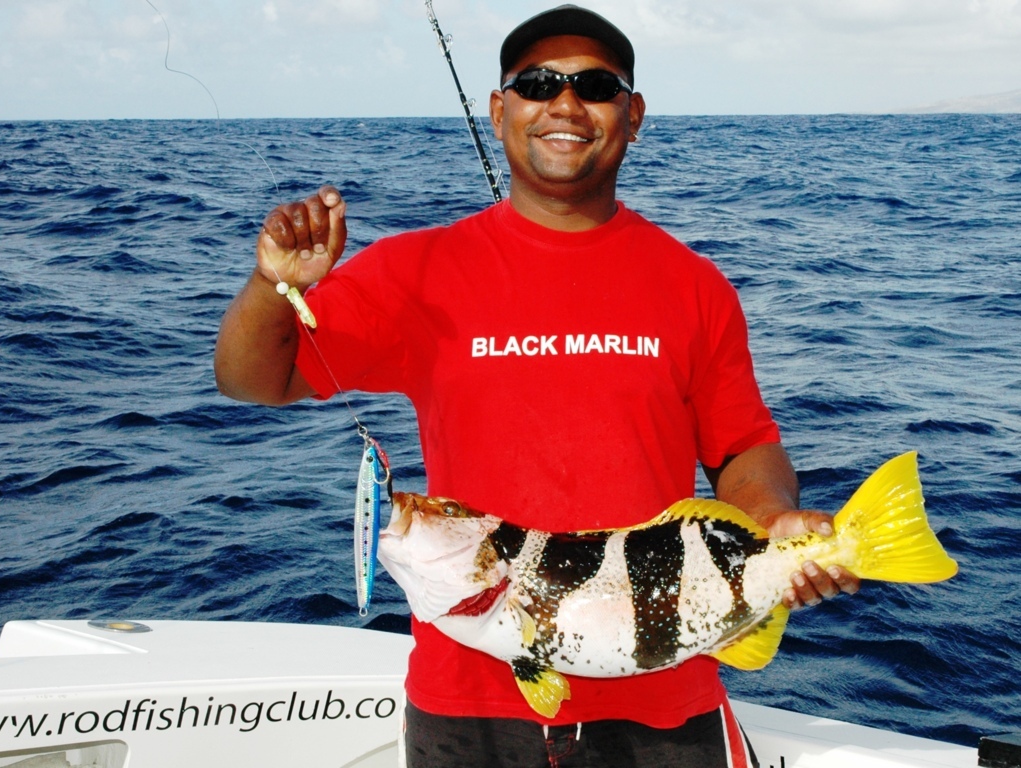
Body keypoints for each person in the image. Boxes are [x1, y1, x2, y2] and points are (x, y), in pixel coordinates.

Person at [214, 5, 860, 766]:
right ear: (498, 110)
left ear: (632, 114)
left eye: (593, 85)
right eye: (536, 82)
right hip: (466, 703)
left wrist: (775, 522)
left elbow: (742, 445)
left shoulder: (694, 286)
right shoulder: (414, 270)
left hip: (664, 695)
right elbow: (255, 379)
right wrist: (270, 286)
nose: (563, 102)